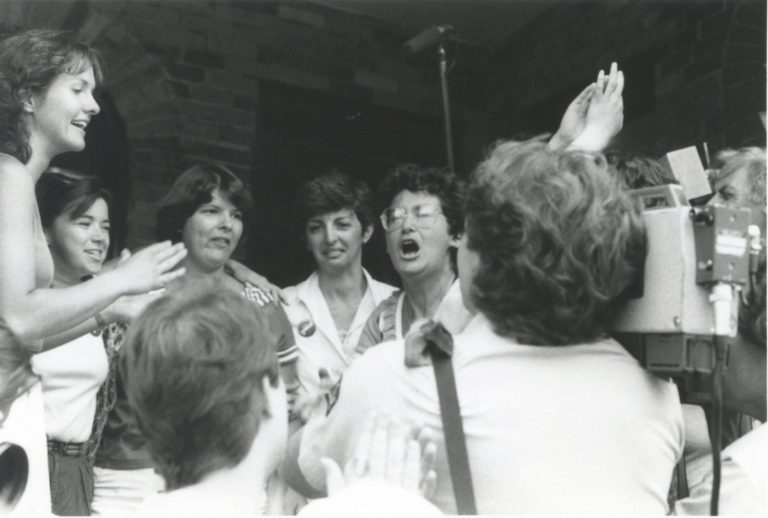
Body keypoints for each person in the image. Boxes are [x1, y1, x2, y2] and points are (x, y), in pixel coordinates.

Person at [286, 141, 684, 514]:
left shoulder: (398, 378)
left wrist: (317, 410)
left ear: (478, 255)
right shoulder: (658, 398)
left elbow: (299, 471)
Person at [0, 29, 186, 516]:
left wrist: (111, 311)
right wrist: (119, 279)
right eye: (78, 88)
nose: (95, 105)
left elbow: (30, 340)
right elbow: (22, 317)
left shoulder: (22, 183)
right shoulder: (8, 176)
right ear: (26, 96)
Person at [92, 163, 298, 515]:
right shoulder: (134, 285)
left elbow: (288, 401)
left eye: (235, 214)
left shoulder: (260, 302)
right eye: (211, 211)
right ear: (180, 220)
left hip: (225, 480)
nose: (226, 224)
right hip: (125, 476)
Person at [284, 172, 395, 405]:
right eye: (316, 228)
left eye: (342, 224)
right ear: (306, 239)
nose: (330, 238)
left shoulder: (395, 303)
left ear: (366, 232)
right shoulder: (284, 305)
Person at [355, 164, 471, 354]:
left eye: (423, 214)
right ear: (387, 245)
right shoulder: (382, 321)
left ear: (456, 235)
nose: (407, 225)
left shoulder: (475, 305)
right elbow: (357, 378)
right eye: (395, 217)